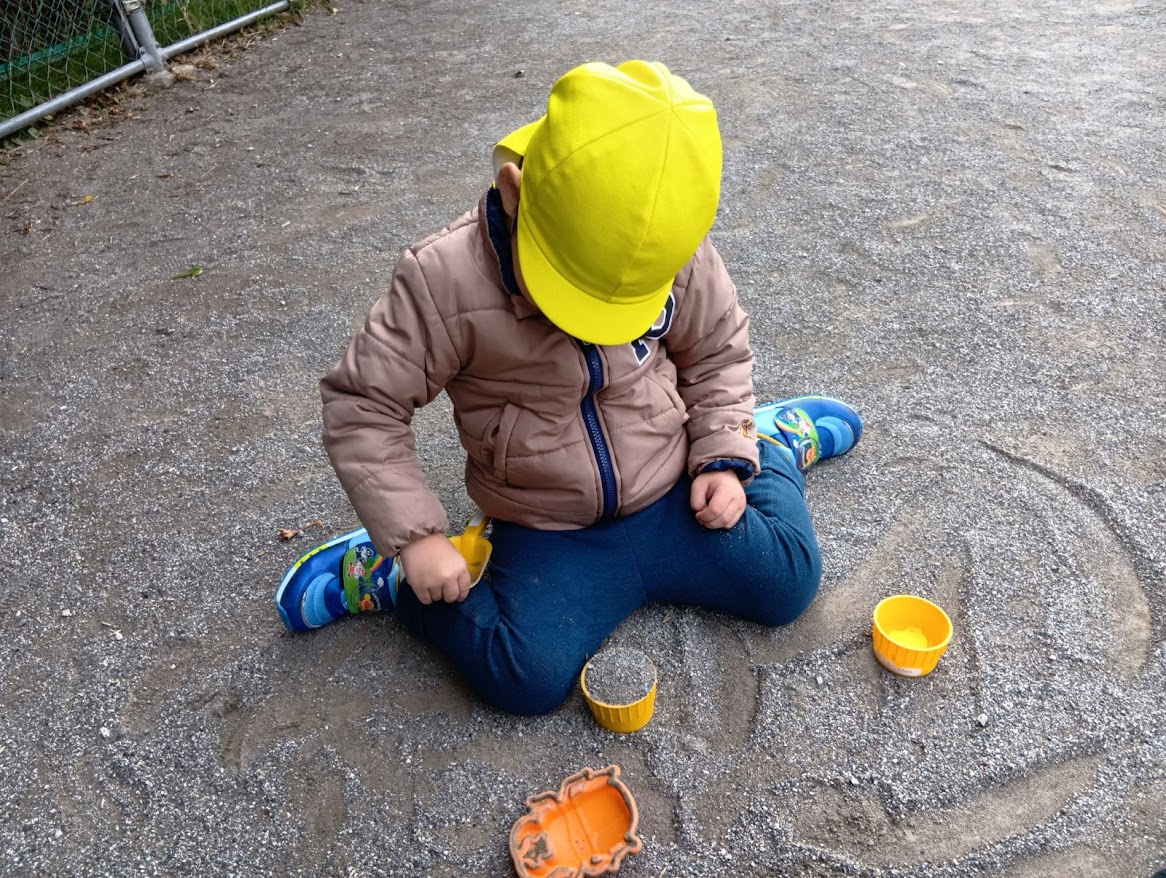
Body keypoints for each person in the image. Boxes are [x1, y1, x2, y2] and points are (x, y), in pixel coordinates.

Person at [275, 60, 863, 716]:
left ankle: (764, 444)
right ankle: (387, 579)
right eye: (571, 293)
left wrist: (722, 453)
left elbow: (718, 350)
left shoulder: (666, 242)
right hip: (550, 526)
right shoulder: (441, 280)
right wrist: (414, 541)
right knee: (524, 679)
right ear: (514, 192)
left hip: (673, 490)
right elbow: (364, 405)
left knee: (787, 583)